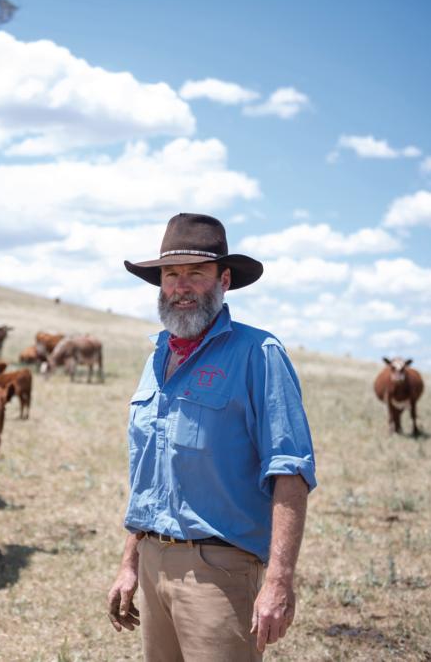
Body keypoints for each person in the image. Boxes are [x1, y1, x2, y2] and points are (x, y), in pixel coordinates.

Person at [107, 213, 317, 661]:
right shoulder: (157, 359)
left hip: (219, 571)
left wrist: (279, 581)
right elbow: (149, 473)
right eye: (171, 274)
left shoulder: (259, 354)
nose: (181, 286)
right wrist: (130, 562)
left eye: (195, 274)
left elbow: (290, 472)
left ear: (224, 280)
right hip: (152, 564)